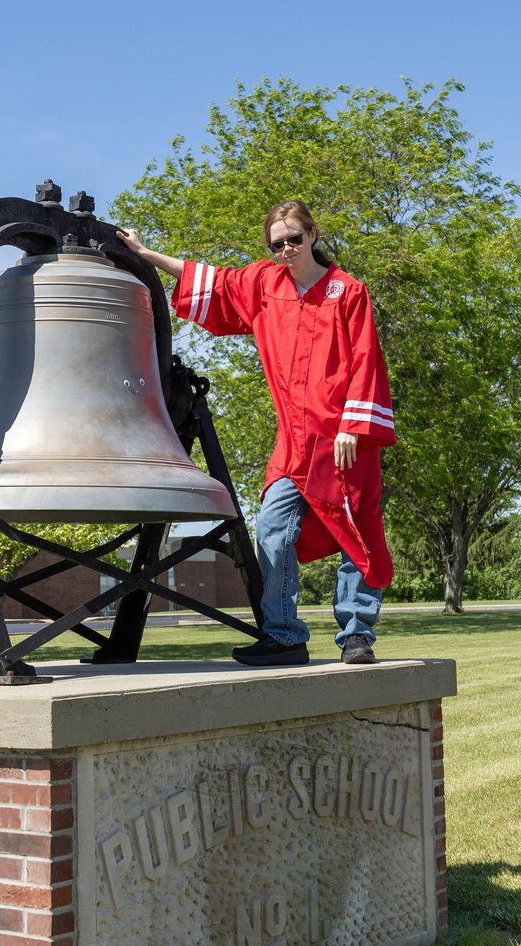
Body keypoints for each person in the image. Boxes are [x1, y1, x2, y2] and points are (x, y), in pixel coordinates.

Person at [118, 202, 395, 666]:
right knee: (272, 529)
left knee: (357, 531)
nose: (286, 249)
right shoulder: (265, 284)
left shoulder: (347, 292)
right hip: (295, 442)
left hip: (344, 440)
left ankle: (356, 633)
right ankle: (284, 635)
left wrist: (353, 426)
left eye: (294, 238)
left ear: (313, 234)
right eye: (276, 243)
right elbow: (213, 279)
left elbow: (367, 359)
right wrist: (146, 255)